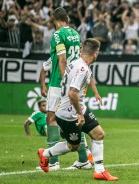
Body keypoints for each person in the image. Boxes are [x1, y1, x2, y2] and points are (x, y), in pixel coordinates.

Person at [38, 38, 118, 181]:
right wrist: (80, 114)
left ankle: (99, 171)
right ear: (95, 53)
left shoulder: (75, 63)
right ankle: (44, 154)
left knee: (98, 134)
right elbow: (72, 93)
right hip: (69, 114)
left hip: (76, 108)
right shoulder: (82, 68)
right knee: (73, 146)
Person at [39, 7, 92, 170]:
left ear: (54, 18)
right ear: (67, 18)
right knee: (74, 119)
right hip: (75, 80)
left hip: (58, 83)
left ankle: (52, 162)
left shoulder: (57, 35)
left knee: (51, 119)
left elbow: (62, 60)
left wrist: (65, 81)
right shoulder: (75, 34)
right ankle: (84, 159)